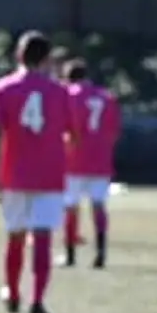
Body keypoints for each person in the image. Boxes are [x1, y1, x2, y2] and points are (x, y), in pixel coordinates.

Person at [0, 32, 76, 313]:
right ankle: (37, 300)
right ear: (47, 59)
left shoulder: (1, 88)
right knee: (43, 237)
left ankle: (12, 292)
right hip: (49, 174)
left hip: (14, 173)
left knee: (15, 237)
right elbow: (71, 134)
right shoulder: (60, 92)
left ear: (18, 55)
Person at [60, 60, 121, 269]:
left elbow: (65, 128)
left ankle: (70, 255)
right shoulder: (108, 97)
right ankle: (101, 253)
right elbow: (114, 132)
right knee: (99, 206)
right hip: (100, 160)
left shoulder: (68, 95)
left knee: (70, 207)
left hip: (74, 160)